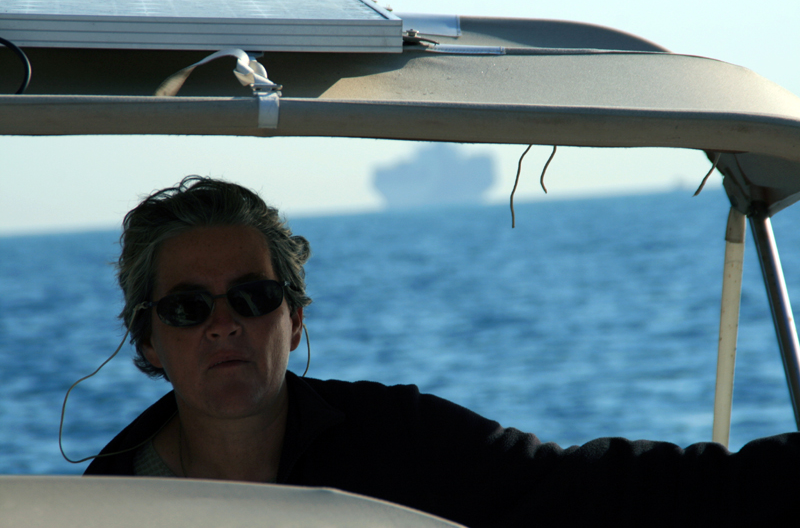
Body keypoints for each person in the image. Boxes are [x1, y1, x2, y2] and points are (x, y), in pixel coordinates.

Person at [86, 175, 799, 526]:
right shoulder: (101, 502)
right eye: (187, 308)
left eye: (252, 297)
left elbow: (590, 492)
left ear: (294, 318)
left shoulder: (397, 441)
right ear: (148, 338)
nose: (222, 324)